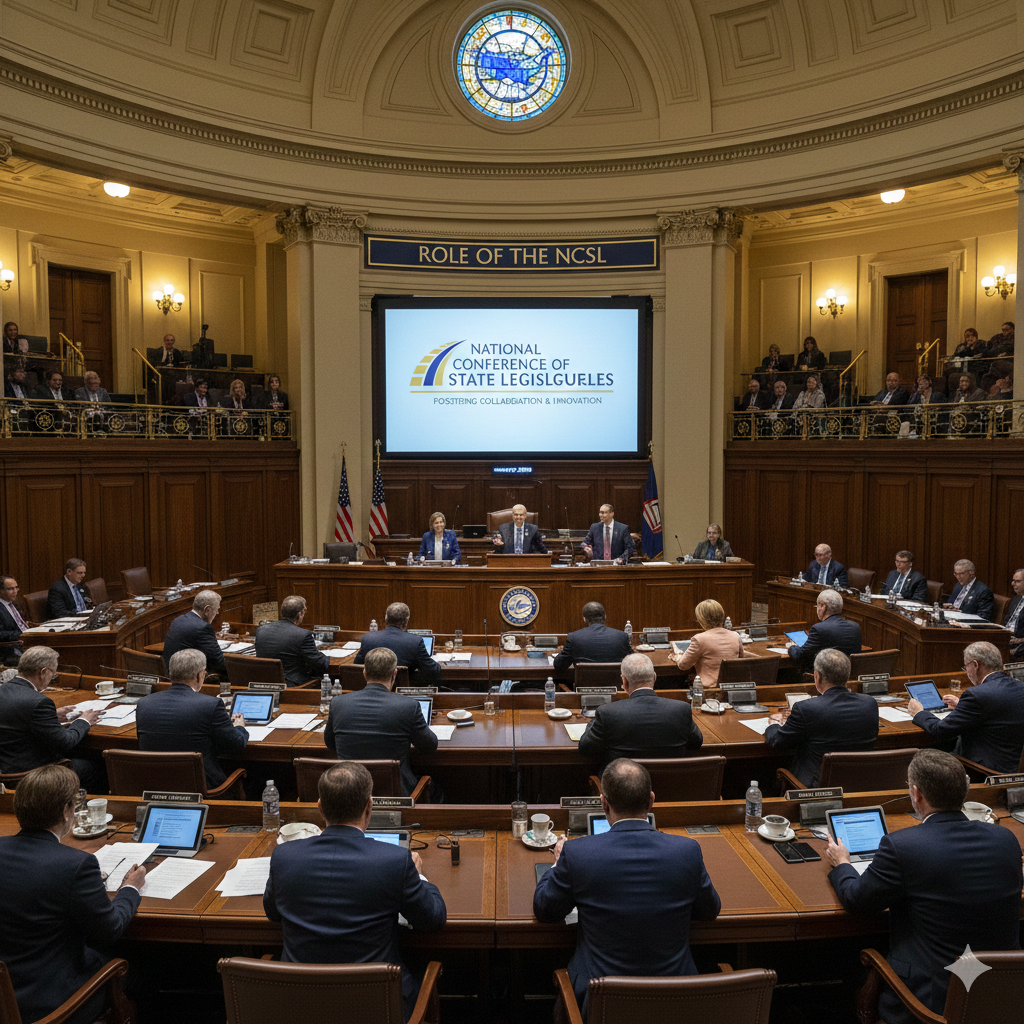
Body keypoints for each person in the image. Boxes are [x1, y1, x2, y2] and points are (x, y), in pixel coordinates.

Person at [825, 749, 1022, 1024]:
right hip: (1000, 996)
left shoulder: (903, 846)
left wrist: (843, 864)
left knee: (847, 967)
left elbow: (857, 900)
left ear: (916, 794)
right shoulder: (1006, 839)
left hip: (930, 1004)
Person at [533, 758, 720, 1018]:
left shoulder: (578, 854)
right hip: (676, 1008)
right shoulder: (687, 851)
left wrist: (557, 864)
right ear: (652, 800)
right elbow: (709, 911)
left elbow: (544, 909)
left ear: (604, 803)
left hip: (602, 1007)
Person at [263, 760, 446, 1020]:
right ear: (369, 807)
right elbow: (434, 918)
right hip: (377, 1008)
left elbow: (272, 914)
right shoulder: (395, 861)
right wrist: (419, 877)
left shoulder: (284, 856)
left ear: (320, 808)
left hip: (300, 1007)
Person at [0, 764, 145, 1024]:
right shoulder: (75, 865)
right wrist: (130, 888)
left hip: (7, 995)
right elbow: (110, 929)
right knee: (138, 965)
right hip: (52, 1004)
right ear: (68, 811)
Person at [324, 647, 440, 799]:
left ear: (364, 673)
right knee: (437, 789)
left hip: (350, 793)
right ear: (395, 674)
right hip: (396, 795)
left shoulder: (338, 703)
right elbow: (429, 746)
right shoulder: (408, 706)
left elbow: (330, 743)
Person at [136, 648, 248, 789]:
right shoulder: (210, 705)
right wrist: (239, 727)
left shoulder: (144, 703)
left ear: (171, 674)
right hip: (202, 788)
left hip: (156, 786)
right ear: (199, 675)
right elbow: (235, 746)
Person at [765, 648, 878, 786]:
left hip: (816, 789)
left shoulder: (806, 708)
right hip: (858, 784)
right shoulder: (870, 704)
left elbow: (777, 742)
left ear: (817, 676)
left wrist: (773, 724)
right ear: (847, 676)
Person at [909, 641, 1024, 773]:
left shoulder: (976, 695)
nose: (966, 672)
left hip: (985, 770)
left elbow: (940, 730)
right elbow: (999, 711)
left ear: (975, 665)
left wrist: (918, 713)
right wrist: (963, 707)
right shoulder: (1020, 686)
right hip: (1015, 768)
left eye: (965, 667)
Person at [0, 646, 103, 789]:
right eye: (53, 674)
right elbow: (65, 742)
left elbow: (17, 719)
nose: (51, 678)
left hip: (7, 773)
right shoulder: (39, 702)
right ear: (43, 672)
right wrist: (84, 720)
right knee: (97, 766)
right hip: (35, 775)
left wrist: (51, 716)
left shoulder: (3, 691)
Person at [578, 654, 702, 766]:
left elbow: (586, 749)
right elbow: (696, 743)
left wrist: (593, 722)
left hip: (623, 789)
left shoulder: (608, 713)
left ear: (624, 681)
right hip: (670, 787)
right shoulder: (681, 709)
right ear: (654, 678)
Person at [353, 601, 440, 683]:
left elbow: (356, 667)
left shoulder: (368, 638)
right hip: (403, 695)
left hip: (372, 693)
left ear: (386, 618)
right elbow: (432, 671)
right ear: (406, 621)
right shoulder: (414, 642)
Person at [255, 595, 329, 686]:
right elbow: (320, 664)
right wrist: (330, 658)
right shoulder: (303, 635)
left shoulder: (261, 630)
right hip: (294, 686)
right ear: (301, 613)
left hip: (264, 683)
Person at [669, 599, 743, 687]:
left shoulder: (699, 639)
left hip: (709, 691)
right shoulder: (735, 636)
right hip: (732, 688)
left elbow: (683, 665)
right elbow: (740, 660)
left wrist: (677, 657)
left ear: (701, 619)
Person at [786, 589, 861, 671]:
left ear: (823, 606)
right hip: (849, 675)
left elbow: (800, 656)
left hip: (825, 678)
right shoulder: (855, 627)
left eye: (817, 606)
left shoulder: (819, 629)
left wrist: (791, 647)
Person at [162, 589, 228, 677]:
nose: (217, 612)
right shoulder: (202, 627)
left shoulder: (178, 620)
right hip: (188, 678)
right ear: (207, 610)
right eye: (216, 609)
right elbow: (218, 663)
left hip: (173, 674)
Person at [552, 601, 632, 674]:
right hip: (616, 689)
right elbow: (635, 662)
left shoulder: (574, 638)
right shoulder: (621, 637)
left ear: (584, 619)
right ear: (605, 616)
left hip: (583, 689)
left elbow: (559, 666)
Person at [0, 575, 30, 665]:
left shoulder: (14, 603)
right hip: (10, 649)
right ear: (1, 591)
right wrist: (22, 635)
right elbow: (1, 634)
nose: (15, 591)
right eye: (11, 589)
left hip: (26, 640)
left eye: (16, 588)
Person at [1003, 568, 1024, 657]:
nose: (1012, 584)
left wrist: (1018, 646)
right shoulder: (1016, 598)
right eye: (1013, 581)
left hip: (1017, 645)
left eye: (1017, 581)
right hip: (1004, 637)